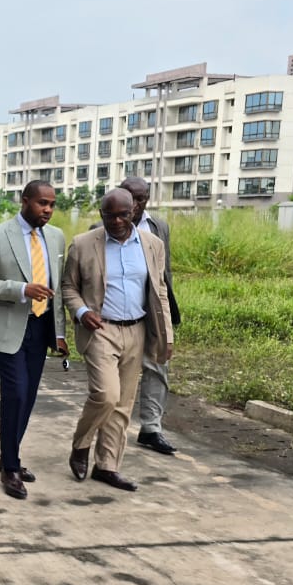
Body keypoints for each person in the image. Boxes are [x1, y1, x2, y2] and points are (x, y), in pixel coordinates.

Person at [62, 188, 172, 493]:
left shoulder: (152, 244)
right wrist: (82, 311)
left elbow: (159, 291)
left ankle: (107, 466)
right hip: (101, 330)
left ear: (135, 210)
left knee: (123, 405)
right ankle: (81, 444)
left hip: (136, 330)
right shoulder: (84, 244)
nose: (117, 221)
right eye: (110, 215)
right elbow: (69, 286)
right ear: (101, 215)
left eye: (123, 214)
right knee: (106, 395)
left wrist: (167, 335)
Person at [0, 182, 69, 500]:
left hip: (41, 328)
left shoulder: (55, 237)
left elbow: (57, 288)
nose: (48, 210)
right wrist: (21, 289)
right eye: (42, 203)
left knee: (28, 397)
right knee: (15, 392)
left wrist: (59, 333)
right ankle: (10, 468)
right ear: (25, 201)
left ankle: (8, 455)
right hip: (9, 327)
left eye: (52, 204)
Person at [121, 177, 182, 455]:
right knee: (121, 371)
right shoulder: (102, 226)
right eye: (130, 197)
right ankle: (112, 426)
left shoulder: (159, 227)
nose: (135, 204)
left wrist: (167, 315)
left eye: (141, 199)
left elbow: (163, 274)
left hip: (152, 310)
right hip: (120, 313)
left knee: (158, 367)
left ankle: (151, 429)